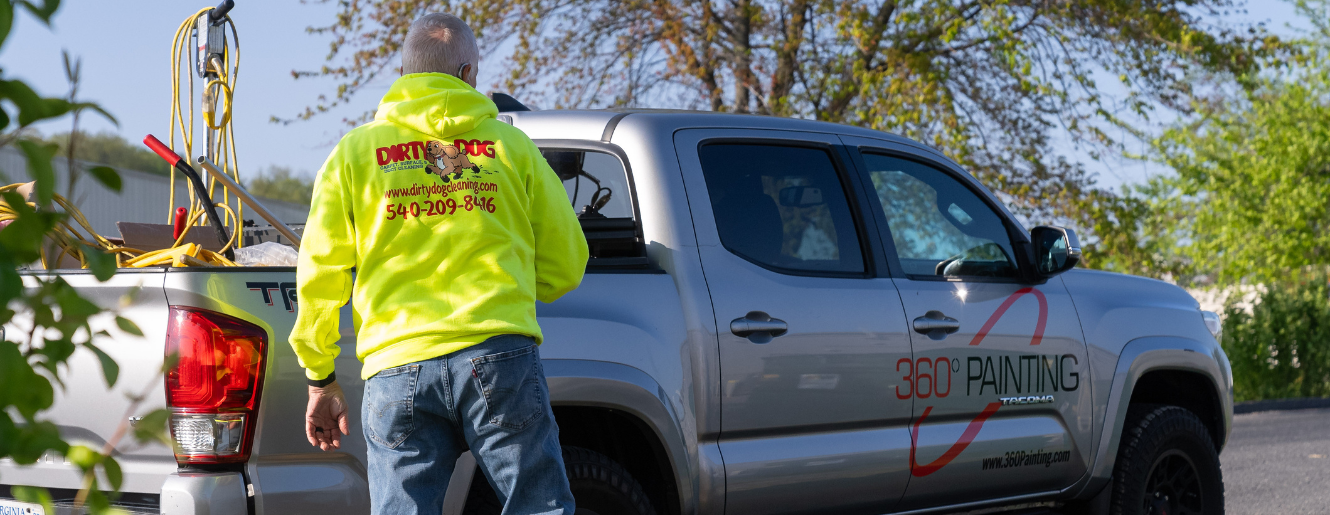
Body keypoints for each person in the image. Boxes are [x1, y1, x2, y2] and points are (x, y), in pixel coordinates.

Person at [288, 12, 588, 515]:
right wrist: (507, 291)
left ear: (404, 75)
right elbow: (566, 263)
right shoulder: (511, 148)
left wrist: (320, 376)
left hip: (395, 365)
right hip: (499, 356)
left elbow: (319, 272)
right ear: (469, 74)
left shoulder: (353, 156)